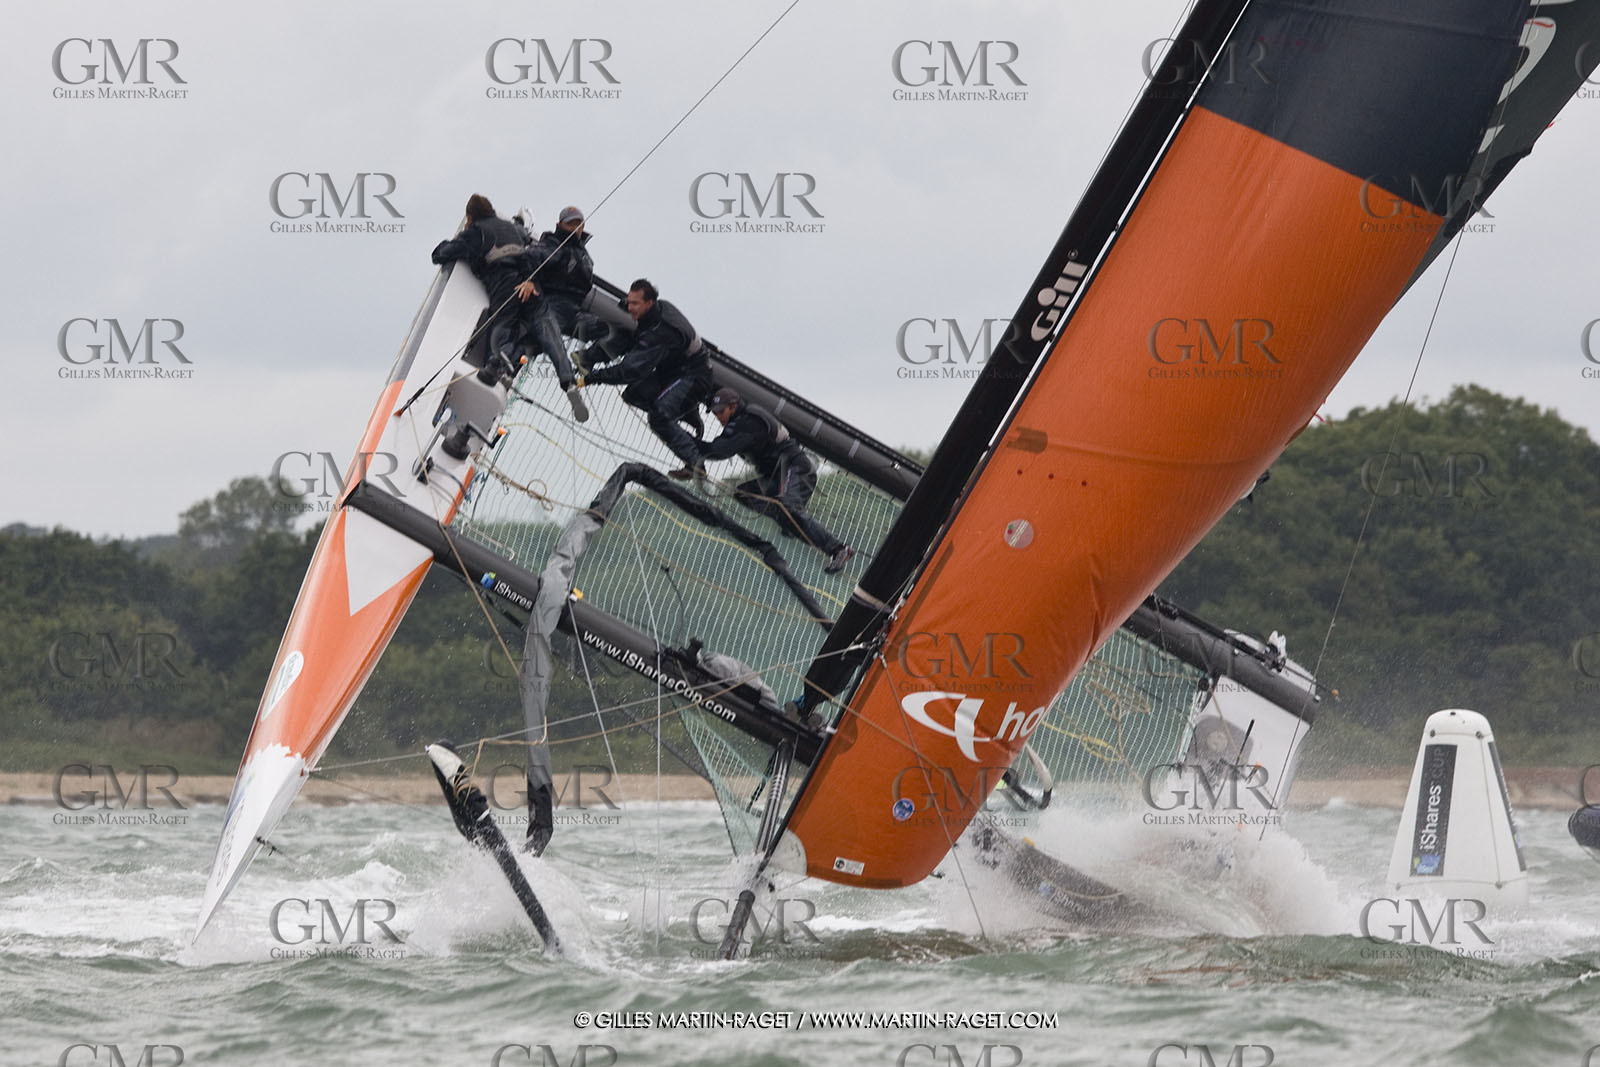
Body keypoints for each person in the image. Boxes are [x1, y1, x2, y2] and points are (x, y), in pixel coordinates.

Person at [431, 194, 587, 421]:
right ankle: (569, 382)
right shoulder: (511, 228)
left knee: (500, 336)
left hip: (504, 285)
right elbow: (530, 245)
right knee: (550, 336)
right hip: (531, 285)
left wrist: (457, 237)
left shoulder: (475, 232)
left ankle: (498, 364)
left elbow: (439, 255)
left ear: (470, 216)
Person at [694, 387, 855, 574]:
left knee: (788, 507)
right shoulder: (739, 421)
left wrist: (686, 440)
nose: (718, 416)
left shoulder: (748, 422)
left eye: (721, 411)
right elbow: (717, 447)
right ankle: (786, 520)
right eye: (715, 413)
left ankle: (838, 549)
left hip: (796, 469)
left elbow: (718, 450)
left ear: (733, 406)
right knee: (743, 493)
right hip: (777, 477)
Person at [579, 279, 711, 468]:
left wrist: (592, 378)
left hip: (694, 375)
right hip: (671, 372)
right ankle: (686, 415)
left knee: (659, 416)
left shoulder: (662, 331)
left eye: (635, 304)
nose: (630, 307)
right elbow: (625, 308)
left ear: (649, 303)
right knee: (634, 394)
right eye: (629, 301)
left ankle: (695, 461)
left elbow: (629, 371)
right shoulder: (653, 309)